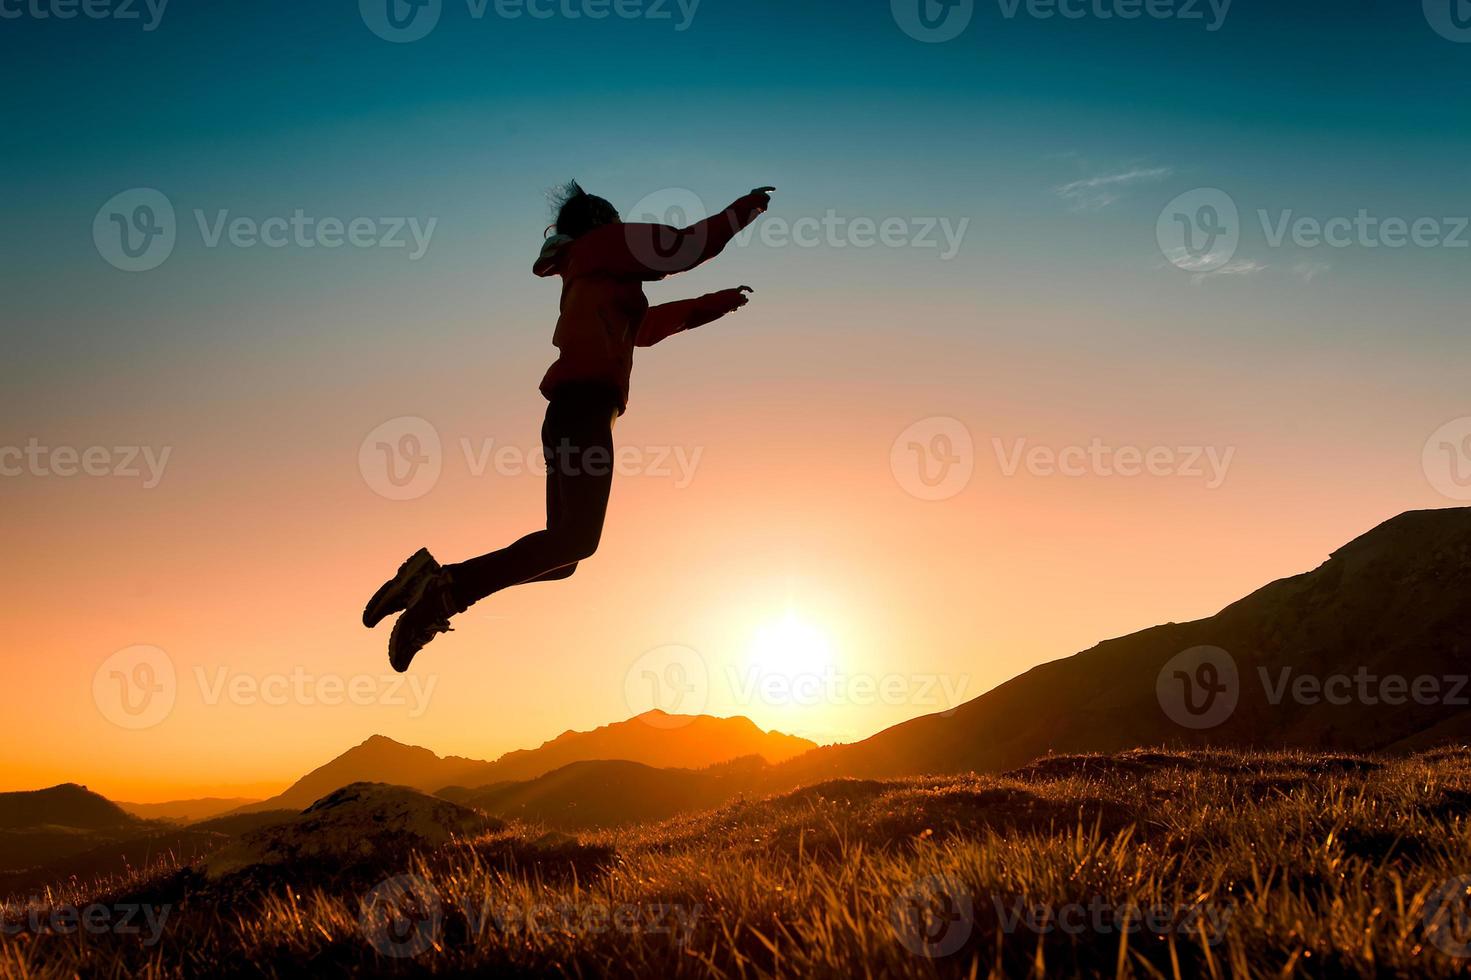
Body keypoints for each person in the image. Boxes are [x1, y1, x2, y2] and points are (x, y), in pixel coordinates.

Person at [362, 181, 775, 671]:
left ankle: (432, 581)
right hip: (583, 411)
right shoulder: (603, 245)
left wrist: (714, 304)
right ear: (602, 220)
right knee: (575, 542)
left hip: (571, 415)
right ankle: (442, 594)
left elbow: (641, 329)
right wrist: (744, 210)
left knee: (565, 559)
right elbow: (683, 248)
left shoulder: (593, 274)